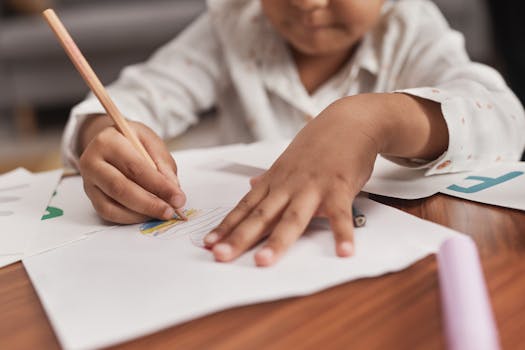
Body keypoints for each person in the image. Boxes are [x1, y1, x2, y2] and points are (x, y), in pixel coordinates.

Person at [62, 0, 525, 267]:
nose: (305, 3)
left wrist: (377, 119)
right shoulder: (232, 25)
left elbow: (506, 119)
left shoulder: (409, 27)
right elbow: (133, 99)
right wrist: (102, 133)